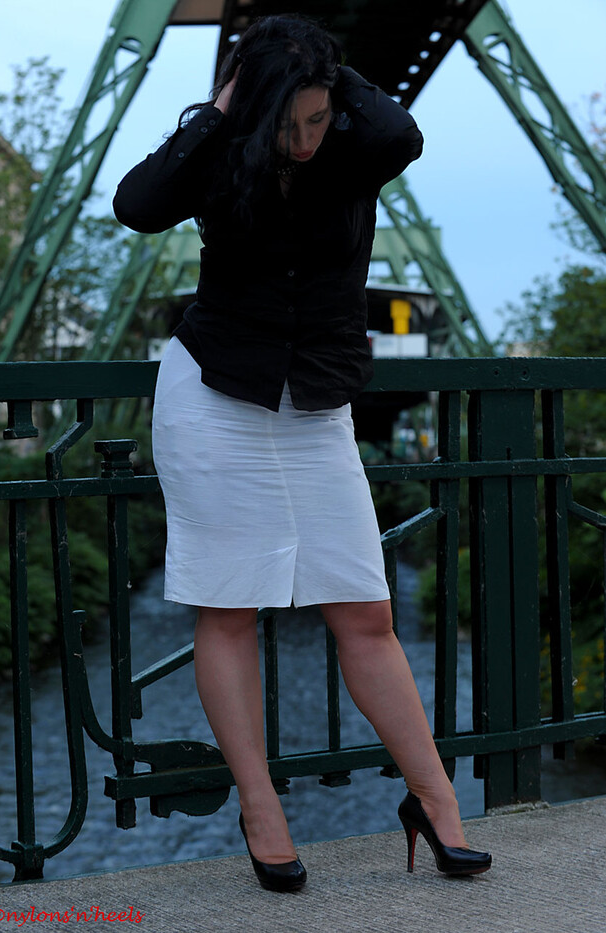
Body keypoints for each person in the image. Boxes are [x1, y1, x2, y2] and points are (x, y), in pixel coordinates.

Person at [113, 14, 491, 892]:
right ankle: (261, 810)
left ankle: (433, 800)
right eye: (290, 123)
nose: (308, 138)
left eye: (319, 118)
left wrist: (324, 70)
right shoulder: (220, 152)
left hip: (316, 404)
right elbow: (137, 205)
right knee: (227, 610)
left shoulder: (357, 148)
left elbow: (401, 132)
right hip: (215, 396)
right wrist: (225, 107)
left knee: (366, 612)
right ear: (253, 109)